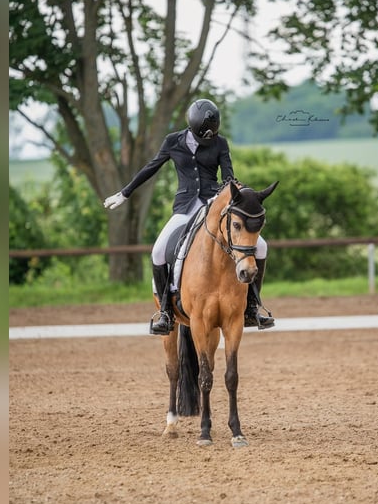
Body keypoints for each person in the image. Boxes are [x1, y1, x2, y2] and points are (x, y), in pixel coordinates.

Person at [103, 98, 274, 335]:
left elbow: (228, 177)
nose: (210, 140)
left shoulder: (220, 143)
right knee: (159, 251)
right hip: (184, 208)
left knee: (261, 246)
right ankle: (165, 311)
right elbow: (152, 167)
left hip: (212, 206)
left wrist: (240, 193)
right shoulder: (173, 141)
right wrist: (125, 193)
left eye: (213, 135)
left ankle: (253, 307)